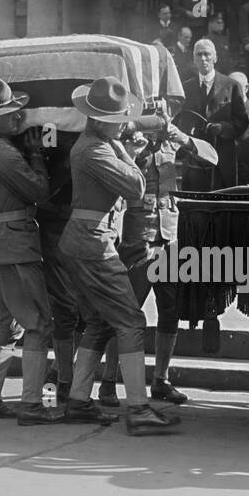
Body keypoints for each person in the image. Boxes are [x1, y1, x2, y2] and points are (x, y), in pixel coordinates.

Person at [60, 75, 180, 434]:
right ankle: (139, 409)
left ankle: (79, 400)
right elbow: (136, 186)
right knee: (130, 321)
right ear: (98, 119)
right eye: (117, 120)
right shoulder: (95, 149)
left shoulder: (97, 142)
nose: (122, 124)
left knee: (99, 321)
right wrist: (131, 149)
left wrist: (129, 145)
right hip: (92, 243)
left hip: (86, 240)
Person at [0, 76, 66, 425]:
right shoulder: (3, 154)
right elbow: (39, 191)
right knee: (38, 324)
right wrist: (37, 155)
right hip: (16, 246)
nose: (17, 118)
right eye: (8, 114)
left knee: (8, 323)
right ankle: (33, 404)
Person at [99, 109, 217, 407]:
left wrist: (181, 137)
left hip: (170, 234)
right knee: (128, 311)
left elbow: (212, 158)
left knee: (170, 309)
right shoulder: (127, 140)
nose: (159, 117)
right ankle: (109, 381)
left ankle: (161, 380)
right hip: (139, 235)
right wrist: (132, 148)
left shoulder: (170, 141)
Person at [181, 38, 248, 189]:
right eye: (199, 55)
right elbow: (180, 119)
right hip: (194, 158)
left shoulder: (231, 86)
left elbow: (242, 122)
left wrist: (224, 128)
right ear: (194, 59)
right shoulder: (186, 87)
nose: (203, 59)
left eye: (207, 54)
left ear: (215, 58)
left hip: (222, 157)